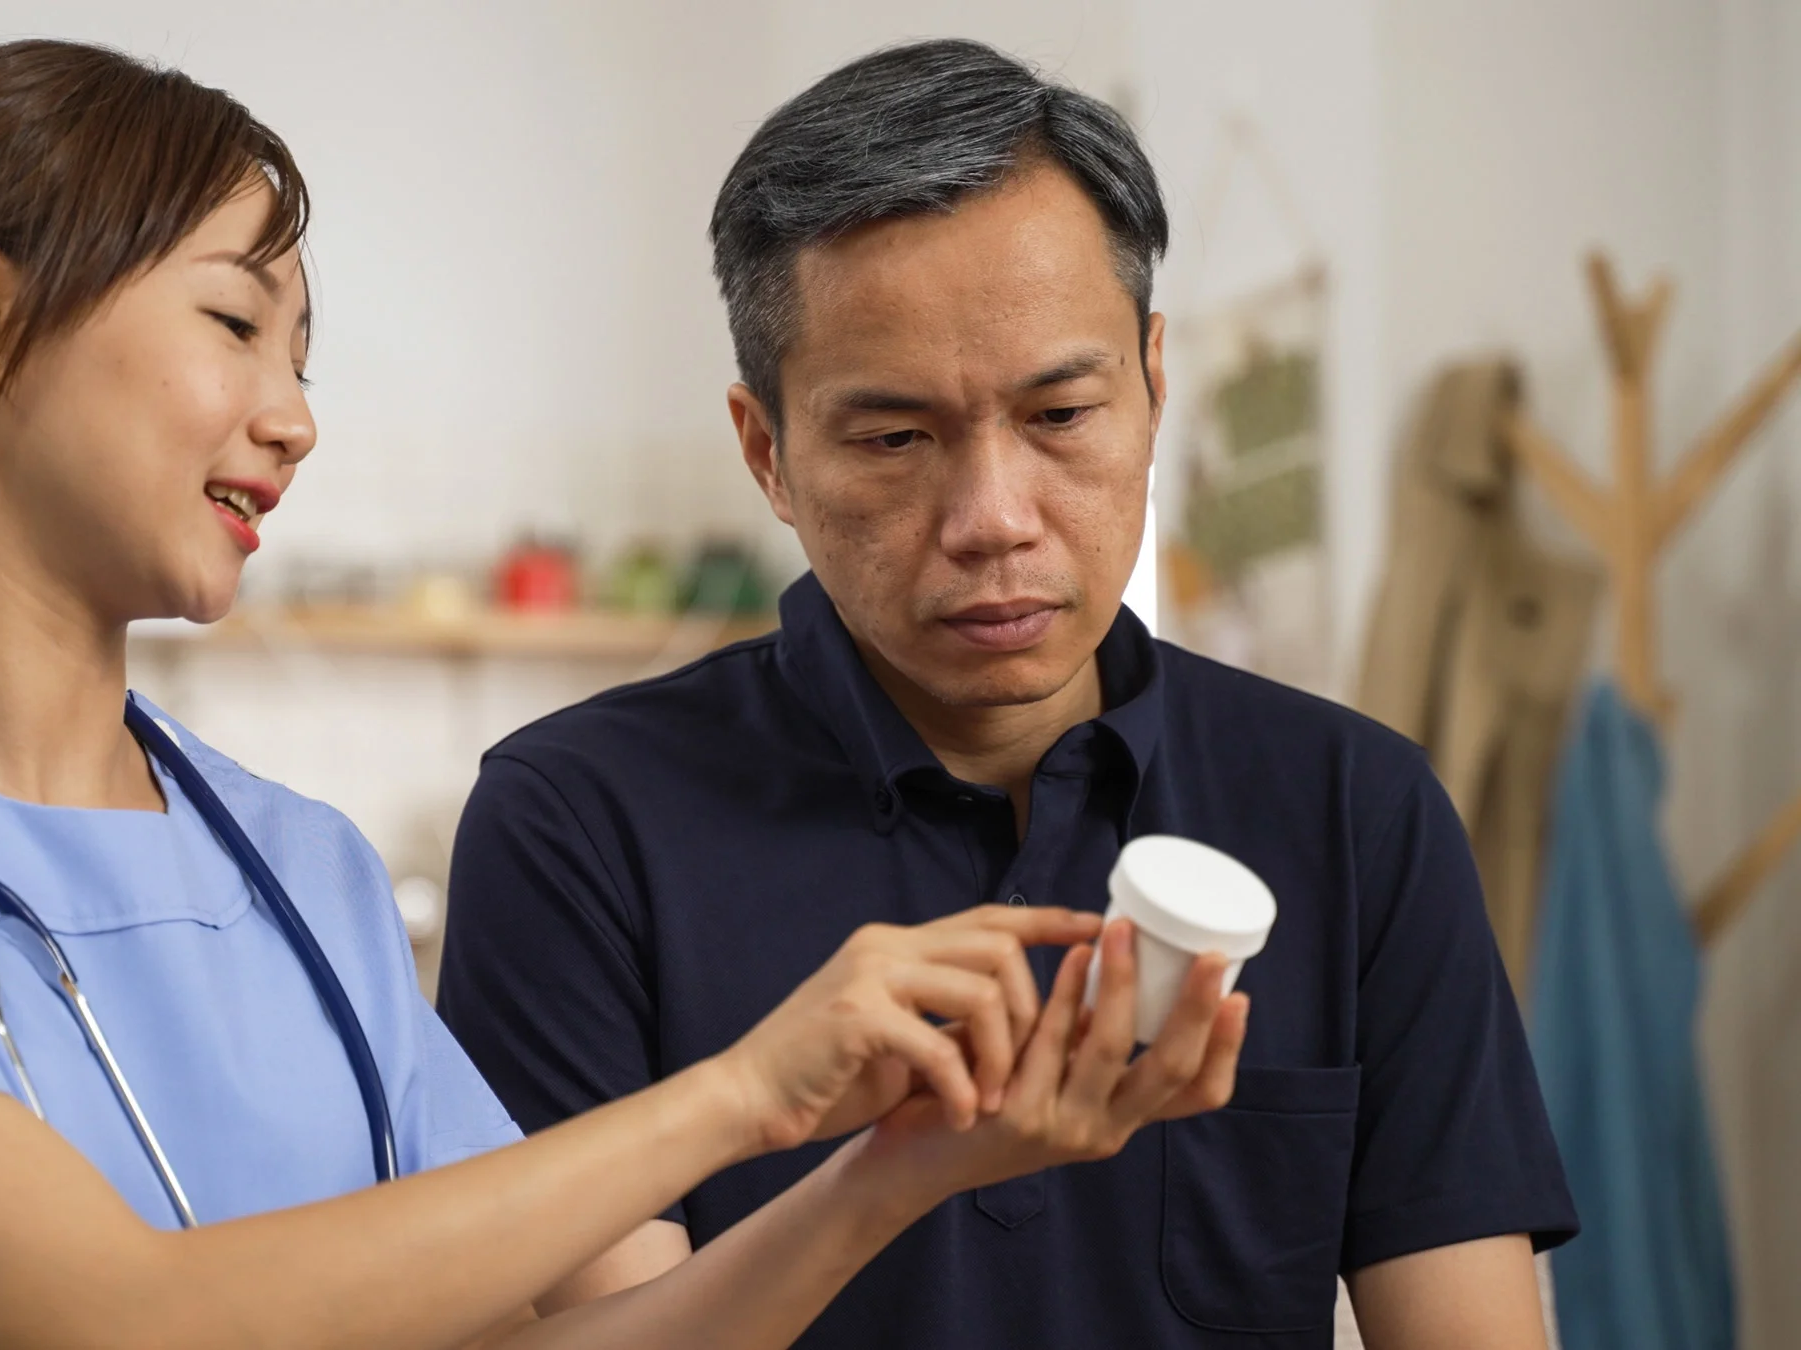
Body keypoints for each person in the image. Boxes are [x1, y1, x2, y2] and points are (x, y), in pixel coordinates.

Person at [0, 39, 1250, 1350]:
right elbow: (112, 1319)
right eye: (234, 323)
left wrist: (904, 1164)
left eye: (303, 354)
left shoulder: (295, 868)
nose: (294, 416)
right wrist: (747, 1089)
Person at [438, 38, 1579, 1350]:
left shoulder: (1356, 810)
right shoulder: (578, 823)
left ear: (1153, 386)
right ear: (769, 451)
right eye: (896, 437)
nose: (993, 518)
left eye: (1059, 416)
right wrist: (887, 1175)